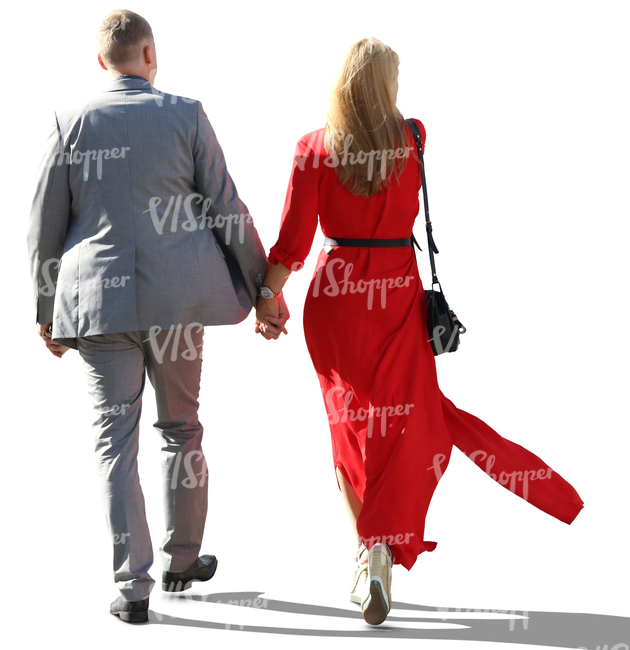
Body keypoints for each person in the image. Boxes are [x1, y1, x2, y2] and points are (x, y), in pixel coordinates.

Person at [255, 37, 584, 626]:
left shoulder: (312, 150)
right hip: (396, 297)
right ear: (386, 87)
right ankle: (380, 548)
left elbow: (293, 242)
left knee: (348, 429)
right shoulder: (414, 139)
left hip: (334, 300)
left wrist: (266, 296)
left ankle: (368, 553)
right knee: (410, 424)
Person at [27, 10, 285, 622]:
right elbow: (227, 206)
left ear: (100, 62)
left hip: (99, 308)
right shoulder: (187, 113)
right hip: (177, 305)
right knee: (182, 430)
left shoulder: (69, 121)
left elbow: (43, 225)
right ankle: (182, 560)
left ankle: (132, 587)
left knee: (113, 444)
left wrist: (46, 309)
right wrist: (263, 290)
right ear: (151, 55)